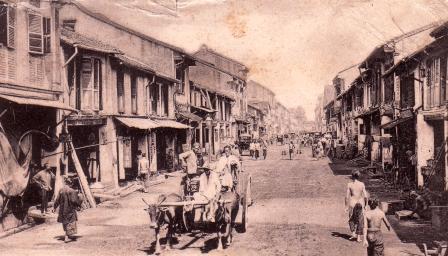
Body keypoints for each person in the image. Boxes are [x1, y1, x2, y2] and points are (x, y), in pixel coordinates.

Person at [53, 176, 83, 243]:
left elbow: (57, 200)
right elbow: (74, 200)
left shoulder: (61, 190)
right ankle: (66, 237)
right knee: (70, 222)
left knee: (65, 222)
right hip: (70, 209)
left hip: (62, 209)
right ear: (71, 183)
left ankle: (67, 236)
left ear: (66, 183)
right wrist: (79, 204)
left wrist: (54, 207)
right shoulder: (72, 191)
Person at [345, 170, 368, 242]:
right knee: (360, 220)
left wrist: (346, 206)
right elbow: (366, 196)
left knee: (351, 218)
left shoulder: (350, 184)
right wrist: (366, 205)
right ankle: (358, 237)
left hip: (353, 202)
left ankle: (353, 233)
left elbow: (346, 197)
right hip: (360, 202)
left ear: (352, 176)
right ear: (359, 176)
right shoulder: (362, 184)